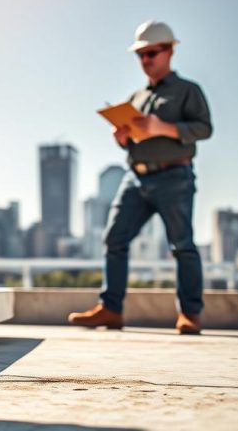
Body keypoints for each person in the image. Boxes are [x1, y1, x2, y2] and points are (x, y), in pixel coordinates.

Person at [69, 20, 213, 334]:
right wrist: (121, 137)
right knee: (114, 239)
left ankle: (190, 314)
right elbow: (133, 139)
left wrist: (163, 128)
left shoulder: (188, 91)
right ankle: (111, 310)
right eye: (140, 54)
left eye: (151, 53)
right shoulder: (135, 97)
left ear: (169, 51)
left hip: (174, 176)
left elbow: (204, 128)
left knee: (182, 245)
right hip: (135, 177)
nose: (145, 60)